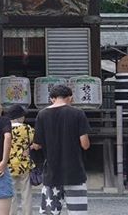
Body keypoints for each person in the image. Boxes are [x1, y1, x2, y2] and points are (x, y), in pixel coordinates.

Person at [31, 84, 90, 215]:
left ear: (52, 98)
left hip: (52, 171)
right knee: (78, 212)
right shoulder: (78, 113)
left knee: (49, 212)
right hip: (74, 172)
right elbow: (85, 144)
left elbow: (37, 144)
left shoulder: (42, 114)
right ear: (70, 98)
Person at [4, 105, 34, 215]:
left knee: (11, 193)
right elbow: (35, 142)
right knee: (26, 192)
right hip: (24, 164)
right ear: (20, 117)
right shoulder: (27, 129)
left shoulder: (5, 128)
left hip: (8, 164)